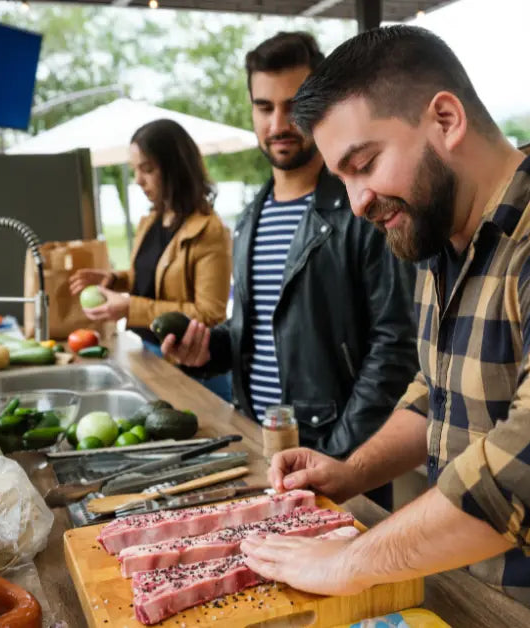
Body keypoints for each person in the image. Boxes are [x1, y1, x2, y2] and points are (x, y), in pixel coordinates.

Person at [237, 26, 530, 627]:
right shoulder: (442, 244)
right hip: (479, 607)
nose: (356, 202)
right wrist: (351, 471)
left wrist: (346, 561)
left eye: (365, 164)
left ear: (446, 119)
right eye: (343, 178)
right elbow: (435, 395)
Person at [161, 32, 418, 509]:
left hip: (340, 457)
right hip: (261, 448)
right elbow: (260, 331)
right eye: (263, 107)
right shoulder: (250, 215)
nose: (278, 123)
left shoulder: (362, 208)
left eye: (294, 104)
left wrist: (337, 456)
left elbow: (396, 347)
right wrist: (209, 351)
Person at [71, 118, 233, 400]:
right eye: (135, 169)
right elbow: (150, 278)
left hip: (191, 369)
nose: (138, 180)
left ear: (176, 169)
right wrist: (114, 280)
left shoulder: (210, 231)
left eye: (147, 169)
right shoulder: (151, 221)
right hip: (148, 354)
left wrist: (130, 307)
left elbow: (210, 314)